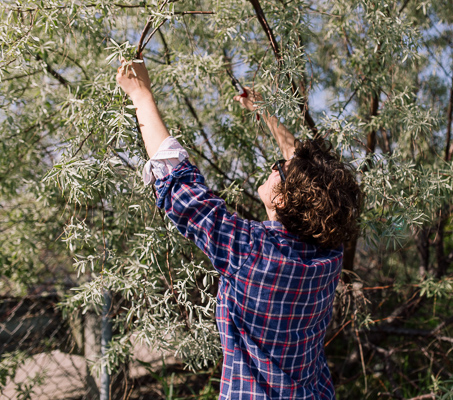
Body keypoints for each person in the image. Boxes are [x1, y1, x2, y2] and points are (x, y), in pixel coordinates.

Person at [116, 56, 362, 400]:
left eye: (280, 169)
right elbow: (308, 173)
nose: (275, 168)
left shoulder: (250, 252)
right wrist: (265, 114)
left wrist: (141, 96)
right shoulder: (328, 253)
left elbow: (178, 184)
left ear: (285, 201)